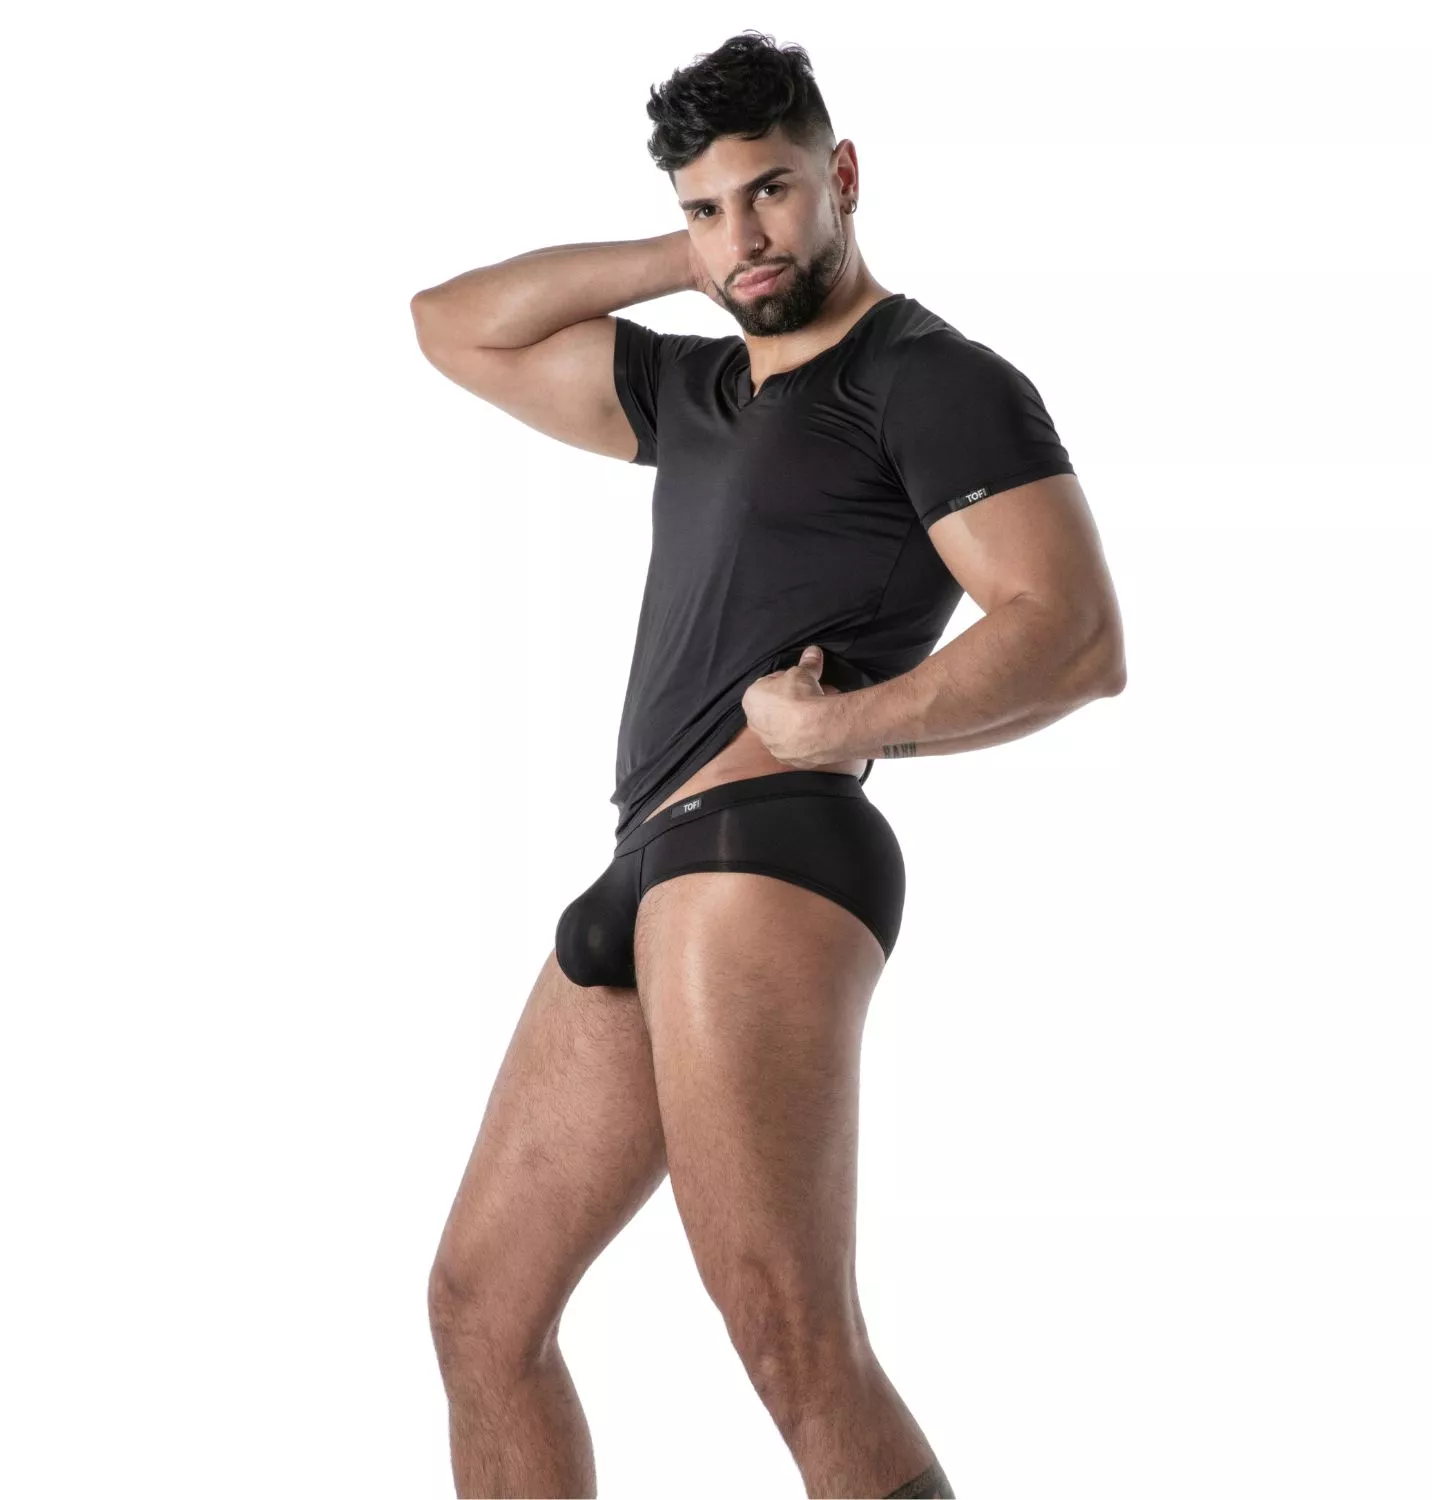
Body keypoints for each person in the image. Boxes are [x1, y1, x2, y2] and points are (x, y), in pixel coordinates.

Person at [410, 29, 1125, 1500]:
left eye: (773, 192)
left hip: (768, 850)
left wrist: (853, 725)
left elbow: (1074, 634)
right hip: (642, 861)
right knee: (483, 1309)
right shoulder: (695, 392)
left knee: (795, 1340)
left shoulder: (928, 378)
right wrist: (680, 262)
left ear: (841, 174)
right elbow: (451, 326)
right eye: (706, 207)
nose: (745, 234)